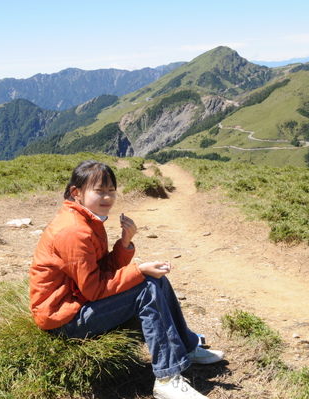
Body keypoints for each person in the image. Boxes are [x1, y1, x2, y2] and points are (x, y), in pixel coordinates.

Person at [29, 160, 224, 399]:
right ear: (76, 192)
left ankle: (186, 346)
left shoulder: (86, 220)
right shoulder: (74, 230)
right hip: (65, 320)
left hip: (76, 304)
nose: (107, 197)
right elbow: (93, 290)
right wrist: (139, 270)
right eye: (99, 191)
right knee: (147, 287)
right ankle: (166, 378)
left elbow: (101, 272)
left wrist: (124, 243)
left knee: (156, 281)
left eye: (111, 190)